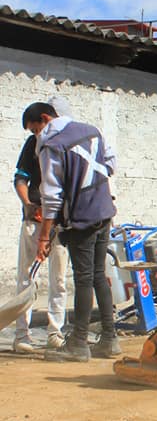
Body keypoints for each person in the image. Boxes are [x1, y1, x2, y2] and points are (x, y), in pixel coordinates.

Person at [21, 101, 121, 363]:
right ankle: (110, 340)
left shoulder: (50, 144)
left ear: (45, 119)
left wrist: (44, 237)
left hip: (82, 219)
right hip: (104, 210)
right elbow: (110, 162)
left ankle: (78, 344)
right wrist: (93, 187)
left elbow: (52, 197)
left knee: (84, 278)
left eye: (34, 130)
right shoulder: (92, 130)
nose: (35, 136)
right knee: (98, 275)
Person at [13, 131, 68, 353]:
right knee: (26, 279)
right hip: (34, 221)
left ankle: (55, 333)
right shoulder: (33, 143)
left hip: (60, 224)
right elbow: (20, 178)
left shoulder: (68, 145)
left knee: (59, 280)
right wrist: (27, 203)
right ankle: (21, 336)